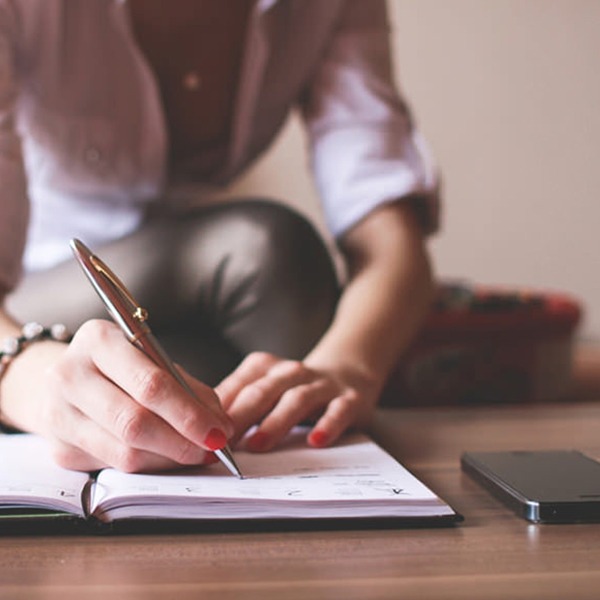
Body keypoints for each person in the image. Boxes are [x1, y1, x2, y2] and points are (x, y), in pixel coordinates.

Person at [0, 0, 439, 473]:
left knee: (239, 368)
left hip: (201, 318)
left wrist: (349, 367)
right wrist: (28, 377)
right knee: (267, 251)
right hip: (29, 319)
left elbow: (389, 237)